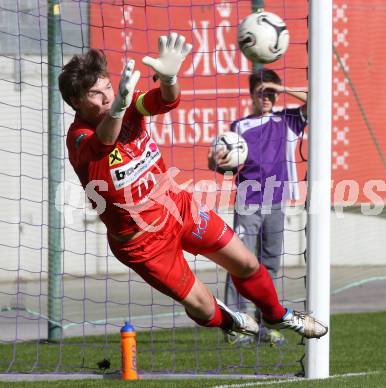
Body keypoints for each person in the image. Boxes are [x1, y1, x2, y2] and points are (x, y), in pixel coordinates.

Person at [59, 32, 327, 343]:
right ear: (77, 101)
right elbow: (104, 141)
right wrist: (118, 106)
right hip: (143, 243)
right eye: (96, 94)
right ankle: (229, 320)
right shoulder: (78, 137)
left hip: (178, 207)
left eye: (108, 87)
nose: (107, 96)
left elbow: (166, 100)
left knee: (246, 263)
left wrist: (170, 78)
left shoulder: (127, 103)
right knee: (201, 307)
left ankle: (278, 316)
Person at [208, 68, 308, 346]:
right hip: (248, 202)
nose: (266, 98)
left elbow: (316, 100)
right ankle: (236, 325)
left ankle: (266, 324)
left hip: (277, 202)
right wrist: (215, 161)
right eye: (261, 92)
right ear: (251, 93)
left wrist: (282, 88)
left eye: (270, 93)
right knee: (240, 263)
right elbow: (220, 165)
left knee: (271, 265)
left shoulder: (288, 120)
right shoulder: (239, 128)